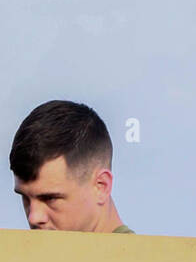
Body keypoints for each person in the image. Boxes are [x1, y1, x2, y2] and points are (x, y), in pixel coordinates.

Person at [9, 100, 133, 234]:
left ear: (101, 186)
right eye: (25, 198)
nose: (33, 217)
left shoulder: (139, 255)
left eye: (50, 198)